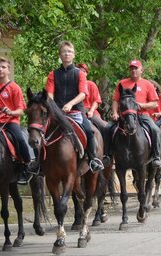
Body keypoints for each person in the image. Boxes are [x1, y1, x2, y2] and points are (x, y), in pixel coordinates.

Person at [45, 41, 104, 172]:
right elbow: (49, 95)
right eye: (64, 51)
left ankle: (93, 159)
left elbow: (83, 94)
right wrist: (54, 107)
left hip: (76, 111)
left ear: (73, 55)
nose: (67, 54)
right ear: (59, 55)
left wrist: (71, 104)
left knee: (89, 130)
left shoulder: (80, 74)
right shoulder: (53, 74)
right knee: (40, 131)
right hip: (57, 112)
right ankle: (38, 164)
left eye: (69, 51)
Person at [0, 57, 37, 185]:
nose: (0, 69)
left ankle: (26, 166)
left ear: (8, 70)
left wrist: (11, 112)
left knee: (20, 139)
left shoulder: (14, 88)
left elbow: (21, 110)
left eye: (3, 67)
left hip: (10, 121)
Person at [103, 60, 161, 168]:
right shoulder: (122, 83)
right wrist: (115, 112)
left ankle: (156, 157)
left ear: (141, 70)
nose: (133, 70)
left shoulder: (147, 84)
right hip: (124, 116)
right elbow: (116, 100)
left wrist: (141, 105)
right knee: (107, 128)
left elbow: (154, 104)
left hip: (142, 115)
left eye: (136, 68)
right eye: (131, 68)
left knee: (155, 130)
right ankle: (107, 155)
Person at [76, 63, 105, 129]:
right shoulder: (72, 85)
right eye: (79, 71)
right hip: (77, 112)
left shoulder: (91, 84)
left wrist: (91, 111)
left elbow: (96, 101)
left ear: (86, 74)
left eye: (84, 72)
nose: (81, 73)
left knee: (104, 126)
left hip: (90, 111)